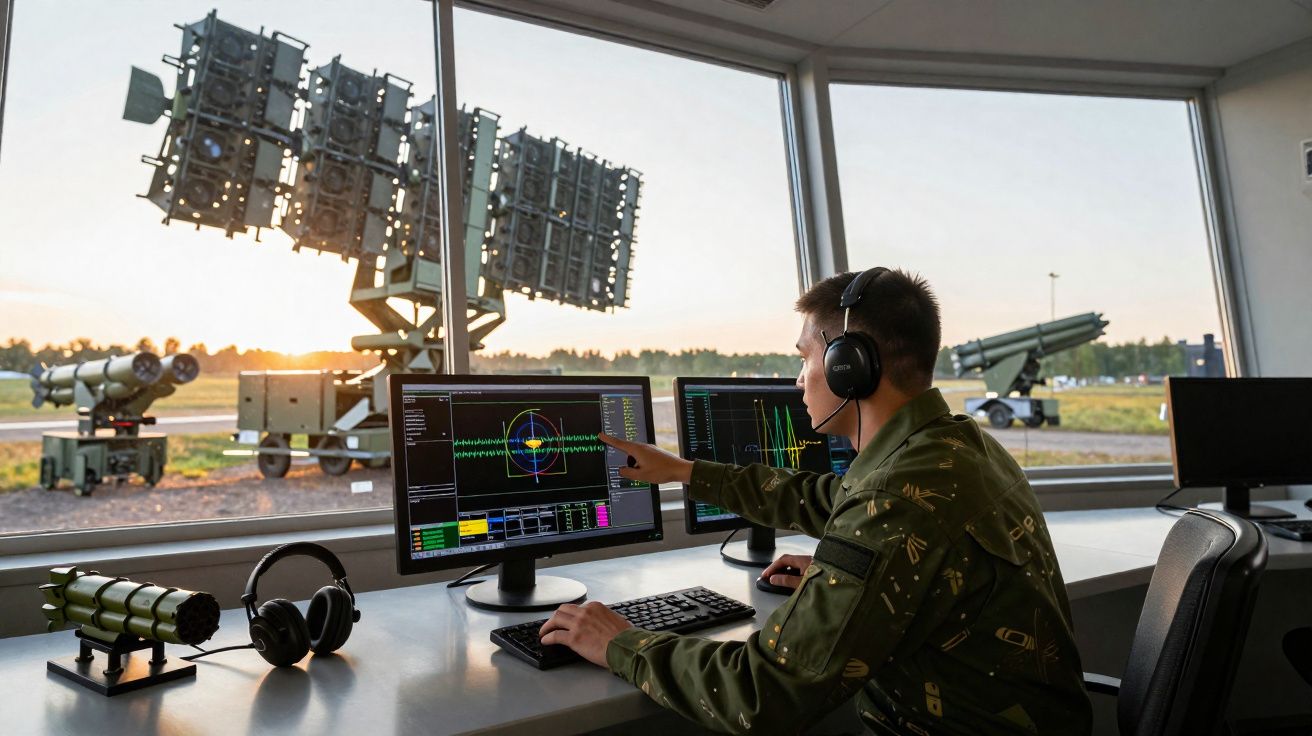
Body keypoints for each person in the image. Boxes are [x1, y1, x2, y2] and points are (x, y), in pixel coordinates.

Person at [540, 268, 1094, 735]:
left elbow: (763, 694)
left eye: (806, 358)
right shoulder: (958, 447)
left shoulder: (893, 500)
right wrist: (684, 471)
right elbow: (825, 499)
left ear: (850, 366)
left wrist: (621, 642)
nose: (800, 379)